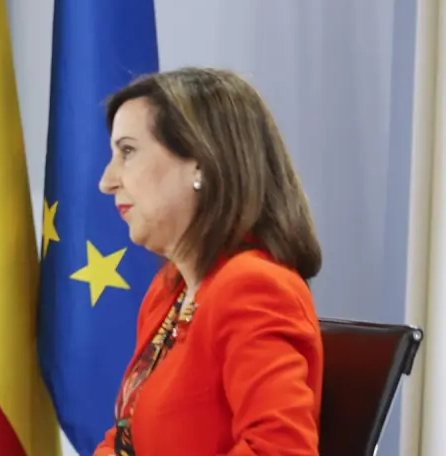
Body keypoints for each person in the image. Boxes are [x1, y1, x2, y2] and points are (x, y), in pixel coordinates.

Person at [92, 67, 325, 456]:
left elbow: (278, 450)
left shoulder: (254, 288)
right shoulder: (169, 291)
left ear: (200, 162)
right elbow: (126, 439)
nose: (107, 181)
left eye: (127, 152)